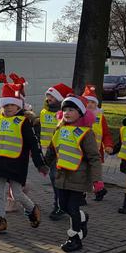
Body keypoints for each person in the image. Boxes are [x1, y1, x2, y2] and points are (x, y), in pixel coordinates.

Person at [0, 81, 48, 235]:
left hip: (16, 163)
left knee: (17, 193)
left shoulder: (23, 122)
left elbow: (34, 144)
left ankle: (33, 209)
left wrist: (40, 163)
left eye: (11, 105)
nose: (8, 108)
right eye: (5, 105)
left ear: (19, 106)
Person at [44, 95, 102, 252]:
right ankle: (83, 218)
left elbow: (94, 158)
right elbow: (52, 149)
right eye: (64, 110)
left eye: (71, 110)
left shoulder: (85, 133)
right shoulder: (60, 129)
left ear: (81, 113)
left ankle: (75, 238)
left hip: (79, 178)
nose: (67, 113)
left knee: (72, 208)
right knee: (63, 206)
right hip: (62, 176)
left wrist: (97, 180)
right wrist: (44, 165)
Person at [33, 83, 73, 220]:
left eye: (52, 96)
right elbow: (40, 128)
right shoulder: (44, 112)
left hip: (60, 152)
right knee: (53, 178)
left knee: (57, 179)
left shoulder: (63, 114)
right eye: (47, 96)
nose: (48, 98)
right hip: (47, 151)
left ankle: (60, 206)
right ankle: (62, 204)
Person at [82, 85, 114, 201]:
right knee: (83, 173)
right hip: (81, 151)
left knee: (94, 173)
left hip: (96, 152)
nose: (89, 104)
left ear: (96, 104)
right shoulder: (79, 116)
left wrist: (109, 145)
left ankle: (99, 190)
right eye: (87, 102)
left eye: (92, 102)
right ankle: (82, 196)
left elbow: (106, 134)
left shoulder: (100, 117)